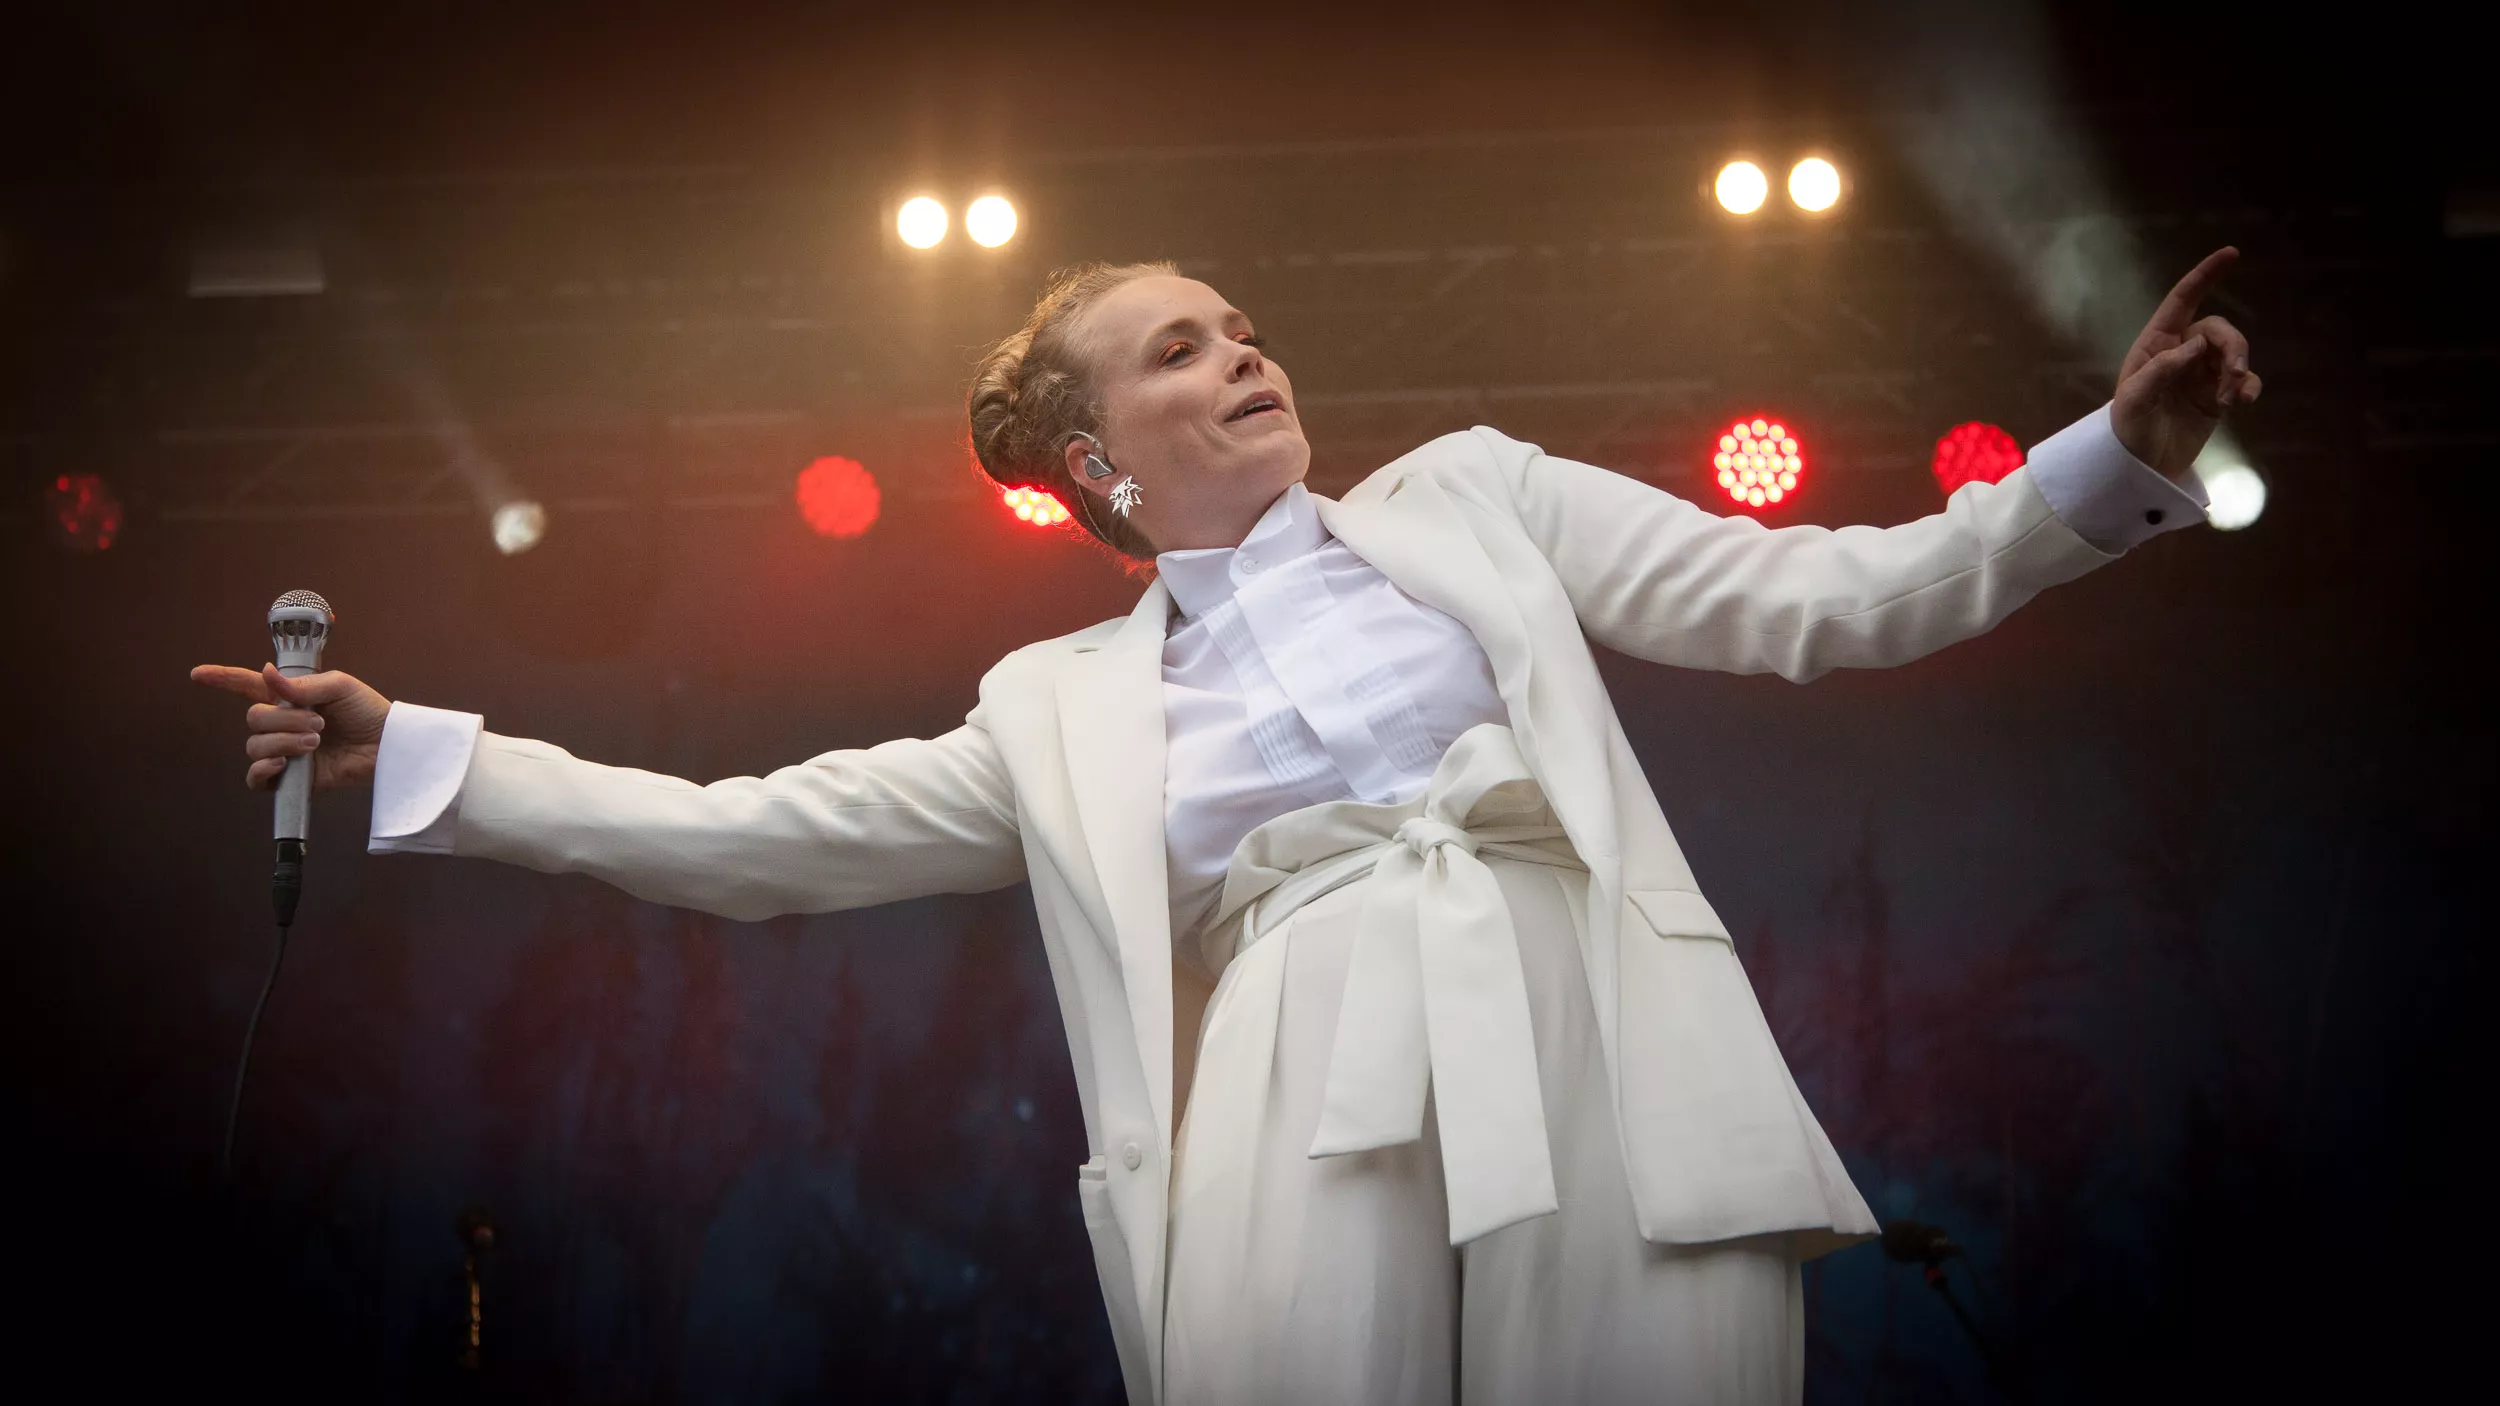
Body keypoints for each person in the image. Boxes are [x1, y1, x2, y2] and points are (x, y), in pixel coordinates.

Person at [194, 248, 2259, 1405]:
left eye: (1242, 323)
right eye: (1178, 349)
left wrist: (2102, 458)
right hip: (1292, 1083)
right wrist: (430, 751)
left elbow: (1829, 595)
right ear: (1096, 462)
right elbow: (743, 830)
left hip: (1600, 1038)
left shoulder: (1475, 497)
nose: (1243, 350)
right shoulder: (1054, 706)